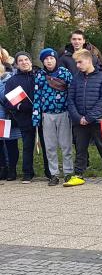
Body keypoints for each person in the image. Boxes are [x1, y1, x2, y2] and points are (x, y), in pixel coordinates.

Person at [64, 49, 102, 187]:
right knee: (80, 149)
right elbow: (70, 100)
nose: (77, 65)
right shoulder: (76, 78)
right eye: (76, 63)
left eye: (80, 62)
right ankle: (78, 175)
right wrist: (78, 117)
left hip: (99, 120)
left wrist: (89, 117)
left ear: (89, 60)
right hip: (80, 122)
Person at [33, 48, 73, 186]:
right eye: (46, 59)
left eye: (51, 58)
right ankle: (54, 174)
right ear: (43, 61)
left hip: (64, 113)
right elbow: (37, 96)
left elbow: (72, 92)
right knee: (50, 147)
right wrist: (36, 116)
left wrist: (72, 112)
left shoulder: (65, 73)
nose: (49, 61)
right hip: (47, 114)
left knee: (66, 145)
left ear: (56, 59)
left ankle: (68, 172)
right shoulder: (40, 75)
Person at [1, 52, 36, 182]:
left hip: (41, 116)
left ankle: (50, 172)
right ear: (16, 64)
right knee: (27, 146)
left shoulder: (39, 76)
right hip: (23, 117)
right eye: (20, 60)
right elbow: (8, 100)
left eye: (26, 59)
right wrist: (20, 107)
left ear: (30, 61)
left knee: (46, 146)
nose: (24, 62)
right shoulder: (13, 81)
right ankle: (27, 172)